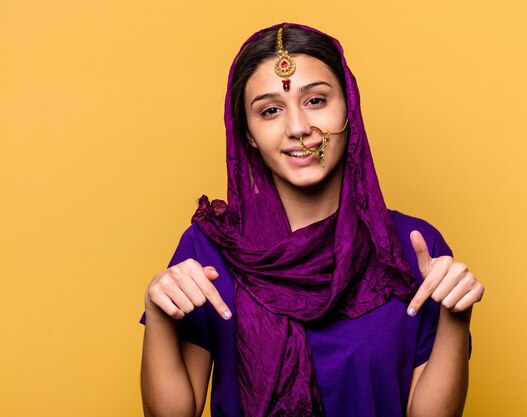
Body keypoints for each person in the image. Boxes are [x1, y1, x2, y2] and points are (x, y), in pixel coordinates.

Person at [140, 23, 484, 417]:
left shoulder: (413, 247)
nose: (299, 129)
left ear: (349, 108)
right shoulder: (210, 250)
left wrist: (456, 317)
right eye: (270, 111)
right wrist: (157, 312)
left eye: (316, 101)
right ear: (248, 133)